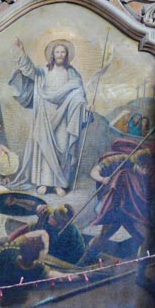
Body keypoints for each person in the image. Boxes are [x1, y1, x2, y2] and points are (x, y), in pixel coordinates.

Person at [8, 38, 100, 196]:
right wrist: (22, 52)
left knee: (63, 148)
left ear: (67, 55)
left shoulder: (72, 73)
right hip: (45, 113)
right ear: (52, 54)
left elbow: (78, 94)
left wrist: (85, 107)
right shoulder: (44, 71)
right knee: (44, 149)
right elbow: (30, 71)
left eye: (63, 52)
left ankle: (59, 183)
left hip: (64, 115)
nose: (60, 54)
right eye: (57, 52)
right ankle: (44, 183)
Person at [82, 140, 155, 280]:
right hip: (117, 211)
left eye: (149, 168)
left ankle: (140, 275)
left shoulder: (150, 172)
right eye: (144, 168)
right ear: (139, 164)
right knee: (103, 236)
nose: (146, 172)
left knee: (147, 238)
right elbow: (95, 171)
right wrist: (102, 179)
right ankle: (83, 263)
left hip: (134, 214)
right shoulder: (122, 161)